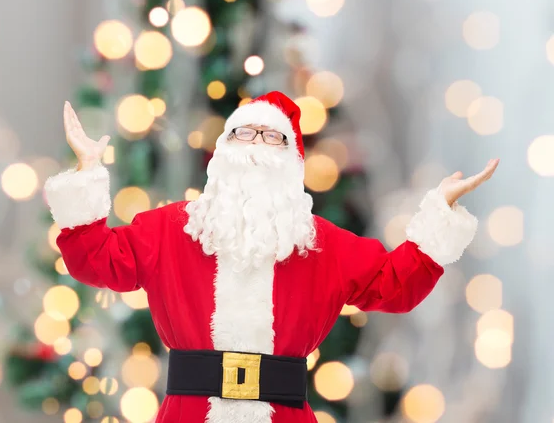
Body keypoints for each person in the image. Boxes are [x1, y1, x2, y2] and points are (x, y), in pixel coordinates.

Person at [44, 91, 499, 423]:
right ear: (223, 152)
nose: (258, 145)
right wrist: (85, 172)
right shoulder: (170, 230)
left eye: (272, 137)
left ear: (292, 162)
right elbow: (96, 258)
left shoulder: (322, 245)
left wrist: (442, 211)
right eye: (246, 133)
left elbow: (394, 285)